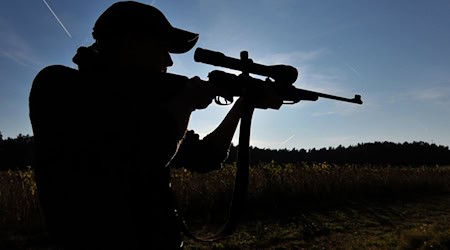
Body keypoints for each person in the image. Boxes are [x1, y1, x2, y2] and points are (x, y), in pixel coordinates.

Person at [29, 1, 282, 249]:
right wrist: (187, 100)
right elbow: (147, 152)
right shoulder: (57, 86)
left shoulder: (143, 106)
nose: (169, 61)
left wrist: (242, 106)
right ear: (130, 44)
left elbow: (206, 156)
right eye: (162, 48)